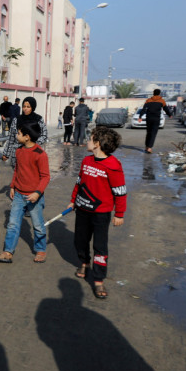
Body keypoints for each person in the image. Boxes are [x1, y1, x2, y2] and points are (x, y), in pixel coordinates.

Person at [68, 126, 126, 299]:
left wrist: (119, 214)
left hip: (101, 214)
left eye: (90, 138)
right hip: (82, 209)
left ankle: (99, 279)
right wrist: (73, 201)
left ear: (97, 143)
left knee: (100, 246)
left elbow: (120, 191)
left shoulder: (113, 165)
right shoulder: (86, 161)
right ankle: (84, 263)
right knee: (80, 240)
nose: (87, 140)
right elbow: (79, 183)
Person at [0, 123, 50, 264]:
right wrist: (12, 186)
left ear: (27, 137)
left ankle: (40, 249)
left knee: (37, 225)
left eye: (18, 133)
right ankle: (8, 251)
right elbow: (17, 170)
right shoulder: (18, 151)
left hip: (34, 197)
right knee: (12, 224)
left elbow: (45, 176)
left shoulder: (40, 154)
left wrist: (37, 193)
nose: (16, 135)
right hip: (18, 194)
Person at [2, 97, 48, 169]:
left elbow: (44, 135)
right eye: (24, 106)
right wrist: (6, 154)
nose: (25, 109)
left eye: (28, 107)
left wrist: (31, 145)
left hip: (32, 153)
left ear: (33, 107)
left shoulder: (38, 119)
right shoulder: (16, 120)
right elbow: (11, 138)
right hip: (17, 154)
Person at [139, 89, 173, 154]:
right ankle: (149, 147)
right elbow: (166, 109)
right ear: (159, 93)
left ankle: (147, 146)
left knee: (148, 132)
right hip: (156, 119)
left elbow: (144, 109)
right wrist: (170, 115)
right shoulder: (161, 101)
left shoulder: (148, 100)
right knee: (153, 133)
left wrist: (140, 117)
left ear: (153, 93)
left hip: (148, 118)